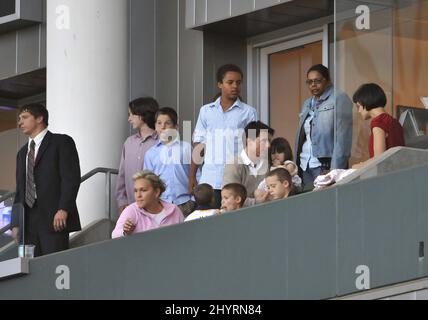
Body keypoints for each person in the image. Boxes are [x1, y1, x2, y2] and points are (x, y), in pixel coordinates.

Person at [11, 103, 81, 257]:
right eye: (19, 119)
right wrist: (16, 222)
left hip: (53, 217)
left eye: (24, 117)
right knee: (29, 270)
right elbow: (20, 189)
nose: (19, 122)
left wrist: (63, 208)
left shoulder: (61, 142)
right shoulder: (22, 153)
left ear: (39, 118)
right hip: (27, 221)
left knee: (54, 264)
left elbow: (71, 178)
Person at [191, 64, 258, 209]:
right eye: (230, 82)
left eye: (238, 82)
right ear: (220, 84)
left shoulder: (249, 112)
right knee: (207, 222)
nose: (235, 86)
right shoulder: (206, 111)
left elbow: (254, 148)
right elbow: (198, 146)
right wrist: (192, 177)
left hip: (235, 180)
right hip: (209, 179)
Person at [295, 64, 353, 190]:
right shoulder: (307, 103)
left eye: (317, 81)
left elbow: (343, 139)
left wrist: (334, 170)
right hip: (305, 163)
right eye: (309, 82)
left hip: (324, 166)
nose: (313, 85)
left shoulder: (339, 98)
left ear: (327, 81)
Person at [144, 107, 195, 217]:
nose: (163, 127)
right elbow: (147, 181)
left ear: (176, 127)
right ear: (155, 126)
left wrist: (193, 200)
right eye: (159, 123)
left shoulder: (186, 148)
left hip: (185, 203)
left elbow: (196, 174)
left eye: (167, 123)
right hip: (160, 204)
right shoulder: (150, 153)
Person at [116, 97, 159, 214]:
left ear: (143, 114)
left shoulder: (161, 142)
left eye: (132, 114)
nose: (129, 119)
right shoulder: (128, 143)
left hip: (156, 208)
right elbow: (122, 175)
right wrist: (122, 201)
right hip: (132, 208)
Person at [112, 171, 184, 239]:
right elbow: (115, 236)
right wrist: (125, 232)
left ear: (156, 192)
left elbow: (184, 236)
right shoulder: (131, 210)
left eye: (143, 190)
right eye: (135, 191)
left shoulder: (174, 210)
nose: (138, 195)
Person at [352, 83, 405, 169]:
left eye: (358, 106)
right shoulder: (394, 122)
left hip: (385, 175)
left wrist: (359, 166)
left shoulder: (378, 122)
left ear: (365, 101)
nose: (358, 111)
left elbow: (379, 158)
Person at [223, 121, 274, 206]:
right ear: (249, 141)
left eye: (269, 141)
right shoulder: (233, 166)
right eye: (264, 141)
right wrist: (258, 202)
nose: (268, 145)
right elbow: (230, 199)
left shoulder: (267, 164)